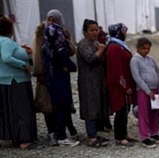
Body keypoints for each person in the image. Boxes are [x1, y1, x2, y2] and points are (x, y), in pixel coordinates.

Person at [42, 9, 80, 147]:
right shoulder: (58, 35)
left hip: (51, 76)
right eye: (50, 20)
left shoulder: (46, 38)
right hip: (59, 77)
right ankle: (62, 136)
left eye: (54, 20)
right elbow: (64, 56)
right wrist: (72, 67)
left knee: (60, 106)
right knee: (62, 107)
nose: (51, 23)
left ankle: (62, 134)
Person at [0, 16, 37, 150]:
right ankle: (24, 139)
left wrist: (23, 51)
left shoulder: (3, 42)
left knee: (11, 111)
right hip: (16, 80)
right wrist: (24, 65)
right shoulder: (7, 42)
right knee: (22, 110)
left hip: (5, 80)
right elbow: (6, 57)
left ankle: (15, 136)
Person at [77, 19, 109, 148]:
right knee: (90, 106)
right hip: (88, 81)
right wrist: (101, 50)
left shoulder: (95, 43)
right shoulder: (83, 44)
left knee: (97, 105)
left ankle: (94, 133)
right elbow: (90, 59)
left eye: (96, 30)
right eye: (91, 30)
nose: (95, 32)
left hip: (97, 80)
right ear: (85, 32)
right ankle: (91, 136)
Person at [106, 23, 137, 147]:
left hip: (123, 83)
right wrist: (124, 87)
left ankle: (124, 134)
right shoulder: (115, 48)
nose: (125, 34)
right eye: (124, 32)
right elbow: (116, 70)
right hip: (119, 85)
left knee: (125, 109)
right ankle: (119, 137)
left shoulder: (118, 46)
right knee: (121, 110)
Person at [130, 37, 159, 148]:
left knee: (154, 112)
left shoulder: (151, 59)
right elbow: (137, 77)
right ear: (138, 48)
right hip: (144, 90)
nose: (146, 51)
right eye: (144, 48)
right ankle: (144, 136)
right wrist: (148, 91)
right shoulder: (135, 60)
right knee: (144, 113)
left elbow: (158, 73)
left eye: (148, 48)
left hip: (155, 89)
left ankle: (154, 132)